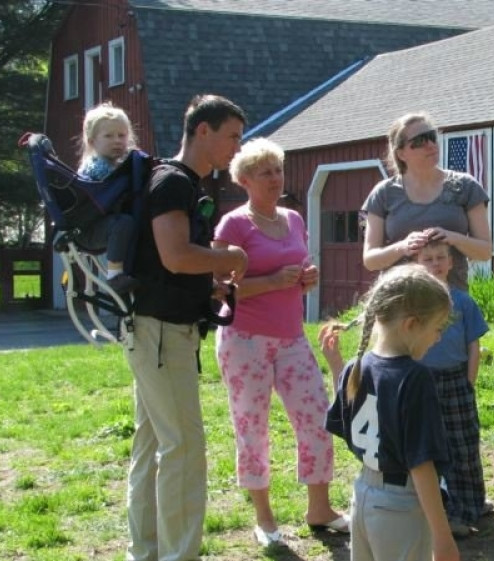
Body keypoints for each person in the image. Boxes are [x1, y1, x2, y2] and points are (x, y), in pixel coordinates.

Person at [124, 94, 249, 561]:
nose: (236, 147)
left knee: (152, 444)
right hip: (162, 334)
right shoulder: (174, 182)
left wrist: (207, 285)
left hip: (152, 329)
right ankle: (179, 554)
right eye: (232, 136)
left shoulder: (180, 182)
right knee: (183, 448)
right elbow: (176, 255)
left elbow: (166, 263)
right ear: (202, 131)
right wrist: (230, 257)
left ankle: (147, 551)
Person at [212, 138, 348, 547]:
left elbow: (300, 267)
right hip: (244, 339)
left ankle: (320, 509)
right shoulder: (233, 225)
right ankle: (265, 519)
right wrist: (271, 281)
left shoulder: (293, 218)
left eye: (278, 170)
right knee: (252, 427)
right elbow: (218, 289)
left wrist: (308, 278)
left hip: (291, 337)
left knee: (317, 417)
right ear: (244, 180)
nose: (275, 178)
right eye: (264, 173)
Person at [323, 264, 460, 561]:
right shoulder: (414, 378)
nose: (438, 338)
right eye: (437, 328)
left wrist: (336, 367)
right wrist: (442, 537)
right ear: (411, 325)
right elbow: (421, 464)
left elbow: (352, 417)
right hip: (401, 508)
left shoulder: (355, 367)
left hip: (362, 498)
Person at [362, 112, 492, 291]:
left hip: (450, 299)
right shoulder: (383, 193)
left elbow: (485, 251)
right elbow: (370, 260)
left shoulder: (466, 187)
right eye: (420, 141)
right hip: (399, 299)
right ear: (401, 153)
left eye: (432, 137)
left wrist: (453, 238)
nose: (430, 145)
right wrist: (403, 247)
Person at [415, 239, 490, 538]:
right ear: (418, 263)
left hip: (456, 380)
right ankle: (433, 505)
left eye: (440, 258)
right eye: (428, 258)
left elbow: (473, 345)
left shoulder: (462, 302)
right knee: (427, 445)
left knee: (463, 445)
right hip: (422, 382)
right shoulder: (412, 304)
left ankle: (468, 507)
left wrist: (468, 381)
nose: (435, 264)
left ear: (451, 263)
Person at [75, 101, 139, 294]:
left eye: (122, 135)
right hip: (88, 230)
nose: (117, 141)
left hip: (103, 225)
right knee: (124, 222)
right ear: (92, 141)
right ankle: (114, 275)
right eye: (109, 136)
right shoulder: (97, 167)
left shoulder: (117, 165)